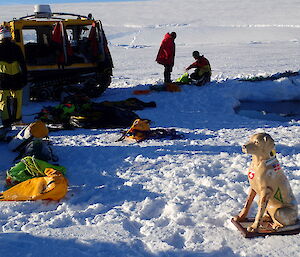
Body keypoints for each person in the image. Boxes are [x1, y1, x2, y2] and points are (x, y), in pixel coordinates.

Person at [0, 26, 27, 127]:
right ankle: (17, 119)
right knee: (17, 100)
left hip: (3, 79)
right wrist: (24, 77)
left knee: (3, 101)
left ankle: (6, 121)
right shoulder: (16, 48)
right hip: (16, 78)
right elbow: (22, 64)